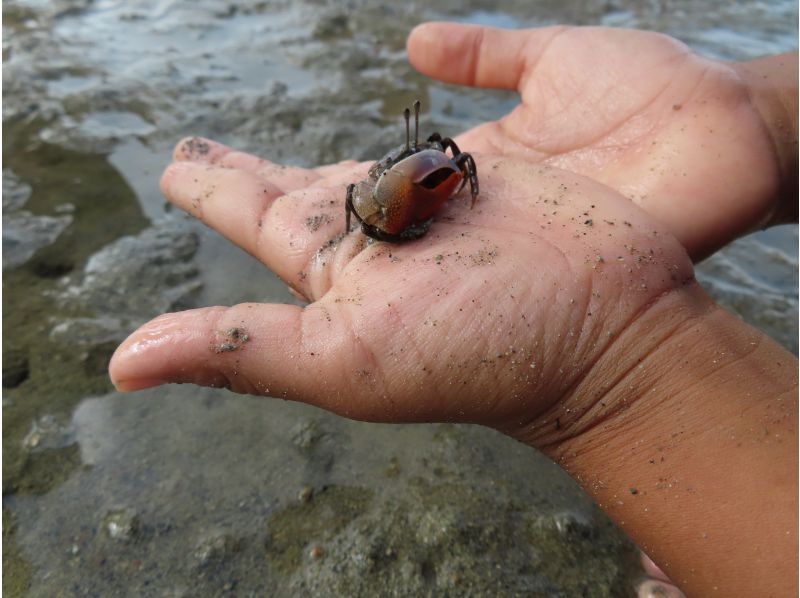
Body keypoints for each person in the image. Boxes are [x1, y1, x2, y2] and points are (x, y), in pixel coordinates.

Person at [109, 23, 798, 596]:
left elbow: (440, 169)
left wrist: (611, 363)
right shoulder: (401, 177)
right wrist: (757, 115)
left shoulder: (438, 170)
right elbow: (397, 183)